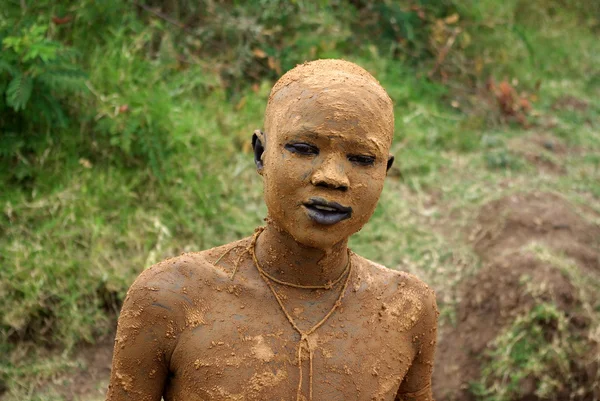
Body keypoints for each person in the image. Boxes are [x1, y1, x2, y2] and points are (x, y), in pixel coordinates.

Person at [106, 59, 438, 401]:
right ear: (261, 154)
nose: (332, 177)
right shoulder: (171, 298)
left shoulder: (405, 308)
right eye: (303, 148)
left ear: (385, 170)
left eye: (363, 159)